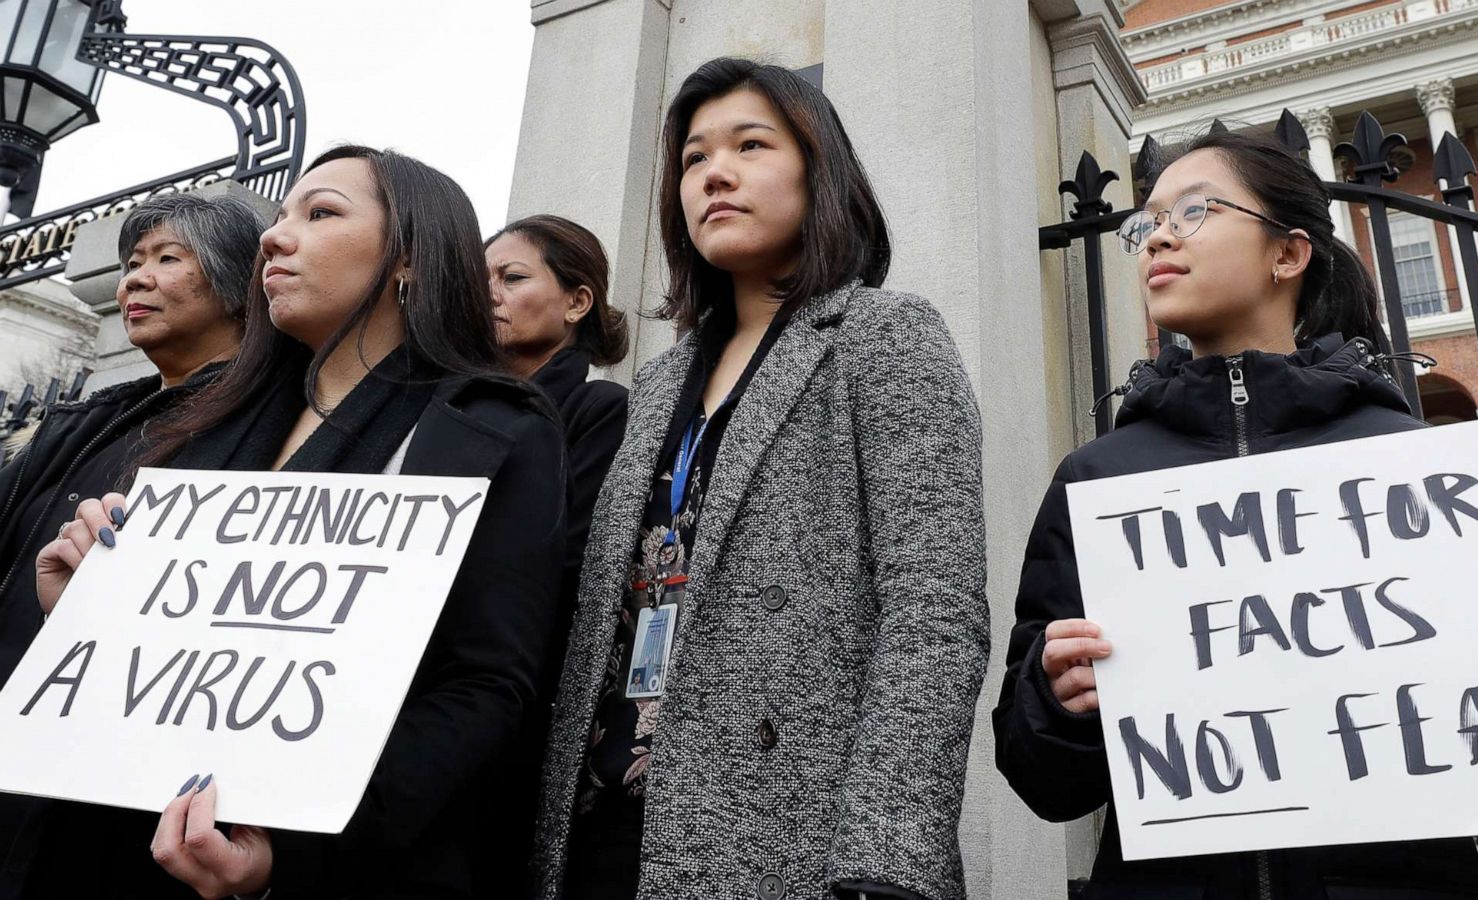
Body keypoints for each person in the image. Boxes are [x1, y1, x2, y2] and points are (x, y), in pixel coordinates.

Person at [992, 128, 1478, 898]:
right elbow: (1043, 785)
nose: (1156, 240)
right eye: (1145, 225)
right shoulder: (1097, 482)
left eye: (1193, 211)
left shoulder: (1420, 474)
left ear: (1289, 254)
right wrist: (1054, 701)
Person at [35, 145, 568, 899]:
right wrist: (86, 607)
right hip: (114, 852)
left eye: (320, 214)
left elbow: (484, 687)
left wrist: (284, 859)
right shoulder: (204, 429)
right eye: (279, 216)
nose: (275, 237)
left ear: (409, 256)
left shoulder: (490, 431)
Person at [537, 58, 989, 900]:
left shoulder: (883, 336)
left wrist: (886, 862)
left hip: (794, 837)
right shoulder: (661, 381)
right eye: (694, 157)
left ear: (820, 171)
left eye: (750, 144)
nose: (715, 172)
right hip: (604, 825)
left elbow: (936, 610)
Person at [0, 190, 262, 896]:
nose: (134, 280)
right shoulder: (86, 423)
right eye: (131, 263)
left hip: (118, 799)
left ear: (239, 283)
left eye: (167, 259)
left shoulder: (273, 424)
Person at [486, 214, 629, 604]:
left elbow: (570, 562)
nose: (489, 294)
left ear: (577, 303)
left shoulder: (601, 410)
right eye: (478, 281)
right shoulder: (455, 404)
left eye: (511, 278)